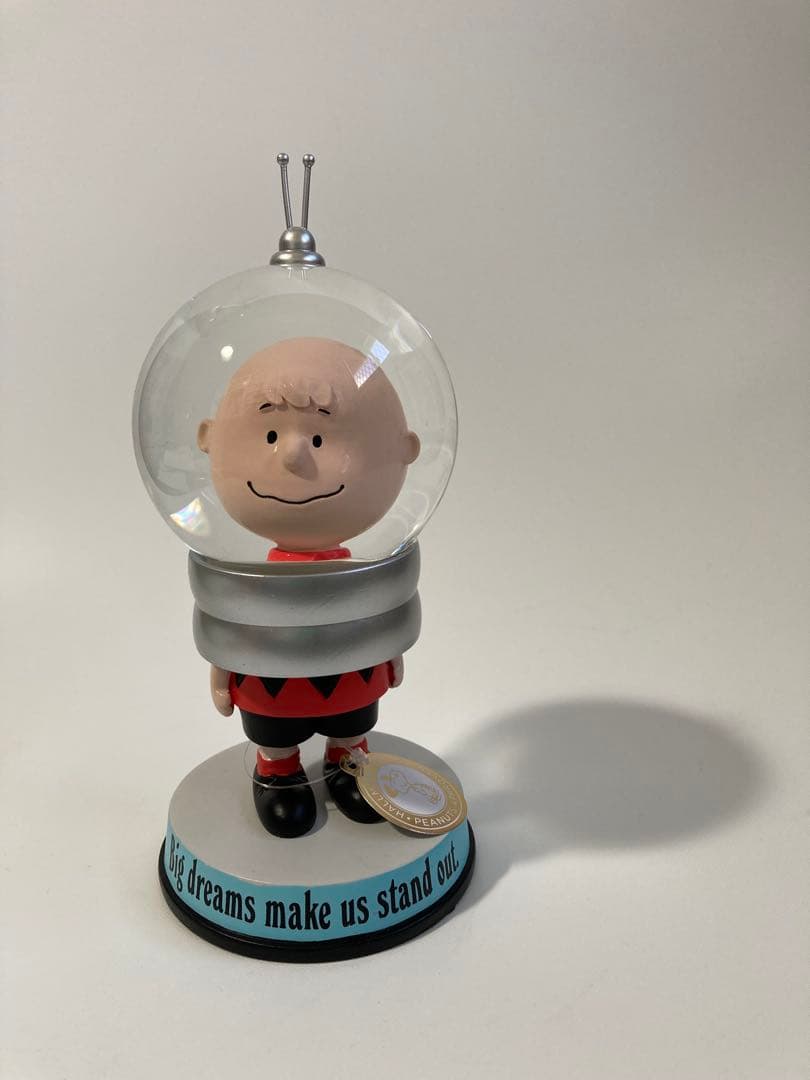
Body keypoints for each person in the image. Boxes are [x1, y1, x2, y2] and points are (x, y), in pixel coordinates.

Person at [197, 337, 420, 837]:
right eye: (270, 435)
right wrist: (221, 671)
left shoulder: (361, 579)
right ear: (210, 439)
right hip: (270, 680)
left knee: (352, 718)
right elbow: (234, 623)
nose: (294, 455)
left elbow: (378, 611)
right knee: (275, 729)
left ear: (403, 450)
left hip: (353, 669)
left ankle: (349, 761)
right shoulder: (252, 584)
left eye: (319, 440)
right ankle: (277, 771)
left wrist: (389, 650)